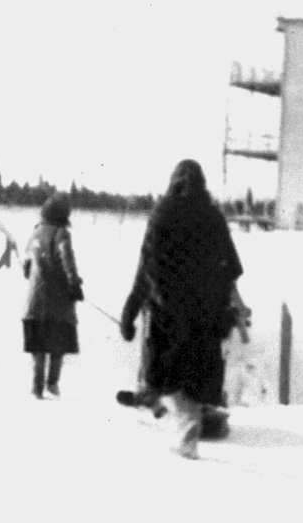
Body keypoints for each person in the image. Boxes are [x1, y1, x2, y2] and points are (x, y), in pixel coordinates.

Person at [119, 159, 244, 459]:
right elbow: (229, 269)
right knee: (195, 375)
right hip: (205, 314)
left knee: (167, 372)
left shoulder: (162, 215)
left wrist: (130, 311)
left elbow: (146, 269)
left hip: (169, 313)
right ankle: (180, 423)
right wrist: (230, 307)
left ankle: (180, 428)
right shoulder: (213, 217)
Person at [22, 192, 84, 399]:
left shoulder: (35, 233)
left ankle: (36, 387)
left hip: (35, 303)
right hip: (58, 304)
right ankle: (52, 382)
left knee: (38, 347)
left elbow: (26, 266)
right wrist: (75, 285)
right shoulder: (61, 234)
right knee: (57, 346)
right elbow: (68, 262)